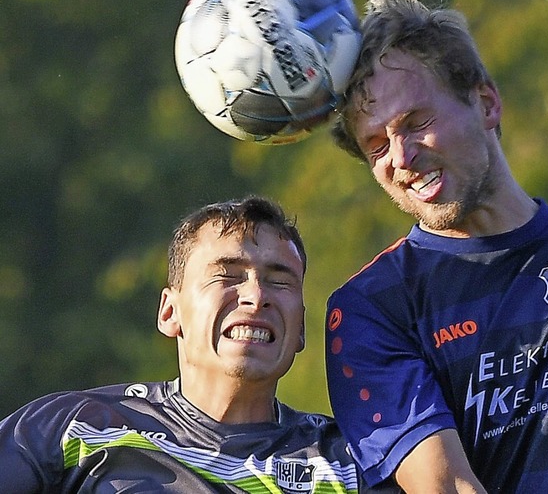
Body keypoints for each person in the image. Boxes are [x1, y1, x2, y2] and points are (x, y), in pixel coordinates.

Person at [325, 0, 548, 493]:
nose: (401, 158)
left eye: (416, 122)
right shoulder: (371, 309)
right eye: (376, 145)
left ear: (486, 103)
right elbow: (446, 487)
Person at [0, 196, 399, 493]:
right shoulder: (73, 429)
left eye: (279, 281)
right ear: (169, 312)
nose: (255, 297)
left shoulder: (353, 462)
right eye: (227, 276)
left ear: (300, 332)